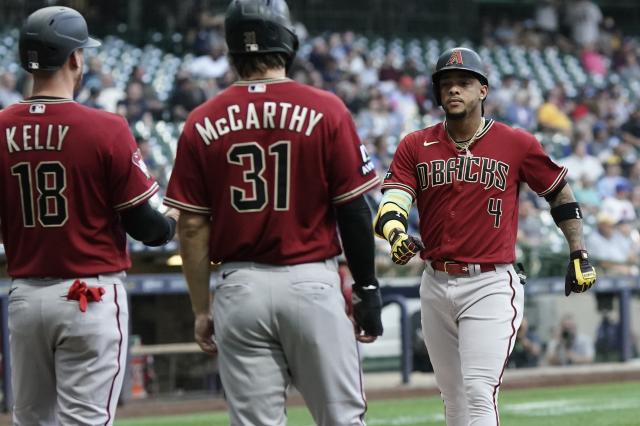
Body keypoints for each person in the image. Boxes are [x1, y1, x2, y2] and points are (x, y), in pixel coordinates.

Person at [163, 1, 383, 425]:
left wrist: (201, 308)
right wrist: (367, 289)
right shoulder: (326, 108)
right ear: (288, 42)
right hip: (311, 283)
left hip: (239, 287)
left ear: (231, 49)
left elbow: (191, 226)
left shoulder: (200, 119)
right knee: (342, 419)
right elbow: (354, 210)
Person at [373, 46, 597, 426]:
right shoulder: (416, 144)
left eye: (464, 83)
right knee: (454, 400)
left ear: (483, 90)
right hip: (435, 281)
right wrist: (395, 231)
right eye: (446, 84)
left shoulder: (516, 142)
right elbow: (393, 199)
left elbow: (559, 192)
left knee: (478, 392)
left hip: (490, 283)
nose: (454, 90)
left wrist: (578, 252)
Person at [0, 6, 178, 425]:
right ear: (75, 58)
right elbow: (147, 229)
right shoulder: (105, 127)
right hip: (87, 296)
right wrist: (172, 218)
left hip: (24, 297)